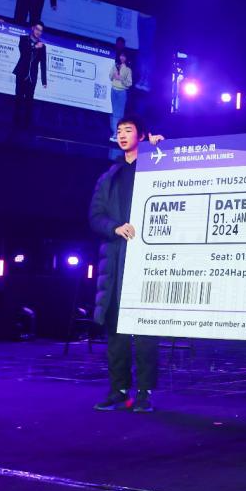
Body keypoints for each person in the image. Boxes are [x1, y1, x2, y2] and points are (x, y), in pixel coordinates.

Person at [90, 116, 159, 412]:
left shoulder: (156, 165)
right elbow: (95, 216)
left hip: (148, 257)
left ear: (141, 136)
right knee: (115, 329)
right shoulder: (110, 176)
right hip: (116, 259)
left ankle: (144, 392)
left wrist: (162, 150)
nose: (122, 135)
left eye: (128, 130)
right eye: (119, 131)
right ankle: (118, 390)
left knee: (145, 329)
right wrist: (115, 227)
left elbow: (182, 173)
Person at [12, 21, 48, 129]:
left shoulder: (43, 46)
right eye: (37, 29)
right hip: (21, 73)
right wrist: (34, 47)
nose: (38, 32)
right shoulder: (23, 39)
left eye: (41, 31)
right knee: (18, 98)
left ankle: (26, 125)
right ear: (33, 28)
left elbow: (43, 64)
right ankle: (15, 123)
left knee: (29, 101)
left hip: (32, 76)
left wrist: (44, 81)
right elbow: (24, 52)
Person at [108, 52, 134, 141]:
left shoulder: (128, 69)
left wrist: (121, 79)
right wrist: (114, 75)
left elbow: (129, 83)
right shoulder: (115, 66)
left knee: (119, 114)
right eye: (121, 56)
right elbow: (110, 77)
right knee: (114, 113)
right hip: (113, 91)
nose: (122, 57)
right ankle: (115, 133)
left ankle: (117, 134)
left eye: (124, 56)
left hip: (122, 92)